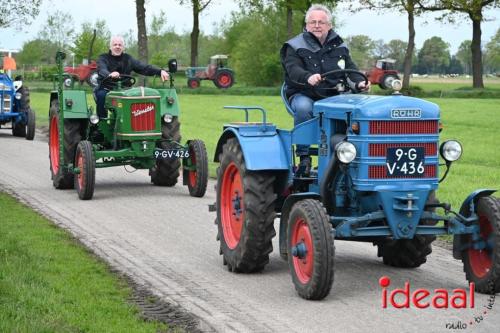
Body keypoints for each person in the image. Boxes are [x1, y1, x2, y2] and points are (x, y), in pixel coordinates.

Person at [280, 4, 370, 175]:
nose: (317, 25)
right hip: (304, 93)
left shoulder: (340, 46)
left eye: (321, 22)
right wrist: (308, 77)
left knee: (357, 111)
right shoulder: (293, 46)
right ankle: (304, 157)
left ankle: (351, 156)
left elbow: (350, 68)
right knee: (304, 108)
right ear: (306, 25)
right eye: (312, 22)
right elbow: (293, 70)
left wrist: (359, 83)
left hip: (334, 95)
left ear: (329, 25)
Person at [95, 35, 170, 118]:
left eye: (120, 45)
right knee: (101, 95)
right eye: (115, 44)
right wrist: (109, 74)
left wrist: (160, 71)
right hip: (107, 88)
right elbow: (102, 69)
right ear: (110, 47)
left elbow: (144, 68)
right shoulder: (103, 58)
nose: (117, 47)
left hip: (125, 89)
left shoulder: (128, 59)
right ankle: (101, 122)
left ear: (123, 47)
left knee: (139, 96)